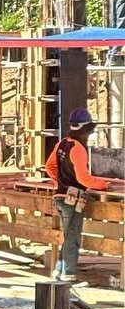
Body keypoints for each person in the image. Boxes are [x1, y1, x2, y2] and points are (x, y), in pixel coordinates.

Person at [45, 107, 109, 280]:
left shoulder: (62, 144)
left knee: (67, 236)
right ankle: (68, 274)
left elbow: (49, 166)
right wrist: (102, 185)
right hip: (71, 200)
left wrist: (60, 181)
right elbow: (83, 178)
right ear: (85, 129)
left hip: (60, 196)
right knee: (72, 237)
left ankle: (59, 270)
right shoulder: (78, 149)